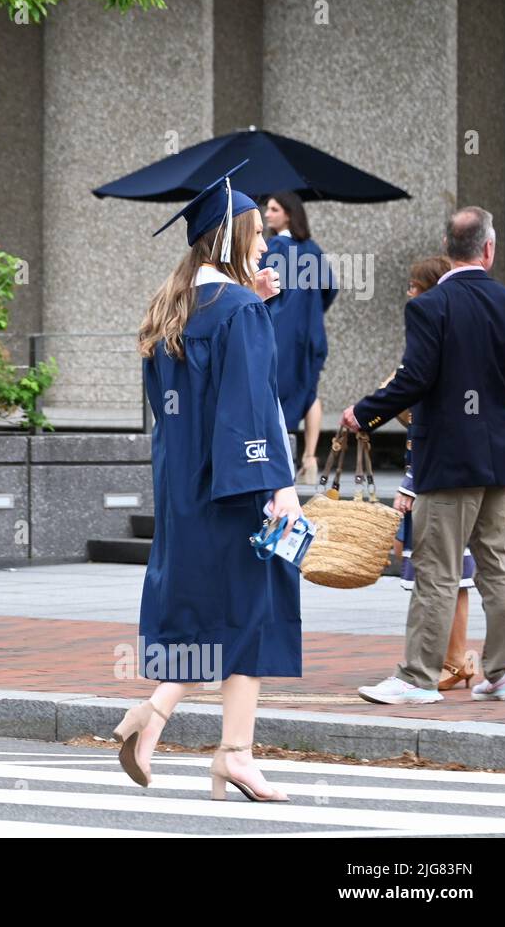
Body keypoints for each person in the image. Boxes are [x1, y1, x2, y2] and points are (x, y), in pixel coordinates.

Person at [116, 161, 300, 802]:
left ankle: (159, 719)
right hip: (235, 486)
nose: (264, 245)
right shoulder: (239, 309)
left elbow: (205, 394)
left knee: (215, 615)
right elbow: (248, 404)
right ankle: (230, 751)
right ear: (230, 241)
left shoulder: (177, 307)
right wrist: (277, 484)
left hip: (183, 488)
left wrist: (260, 306)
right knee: (251, 610)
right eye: (254, 236)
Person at [348, 207, 505, 704]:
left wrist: (364, 414)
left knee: (436, 571)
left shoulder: (431, 306)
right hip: (500, 460)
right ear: (488, 249)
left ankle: (417, 677)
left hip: (448, 460)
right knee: (497, 567)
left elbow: (414, 380)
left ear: (449, 248)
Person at [386, 256, 480, 692]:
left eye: (413, 286)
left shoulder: (433, 342)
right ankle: (454, 658)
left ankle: (453, 659)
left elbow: (423, 424)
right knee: (445, 574)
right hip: (442, 470)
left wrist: (409, 483)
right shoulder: (447, 338)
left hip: (436, 475)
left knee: (446, 575)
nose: (409, 294)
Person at [260, 191, 335, 485]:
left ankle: (279, 458)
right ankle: (310, 458)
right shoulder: (313, 249)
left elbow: (260, 285)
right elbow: (331, 288)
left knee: (273, 389)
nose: (267, 214)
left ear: (289, 214)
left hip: (283, 333)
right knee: (310, 391)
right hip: (312, 334)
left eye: (274, 209)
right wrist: (313, 312)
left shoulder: (275, 246)